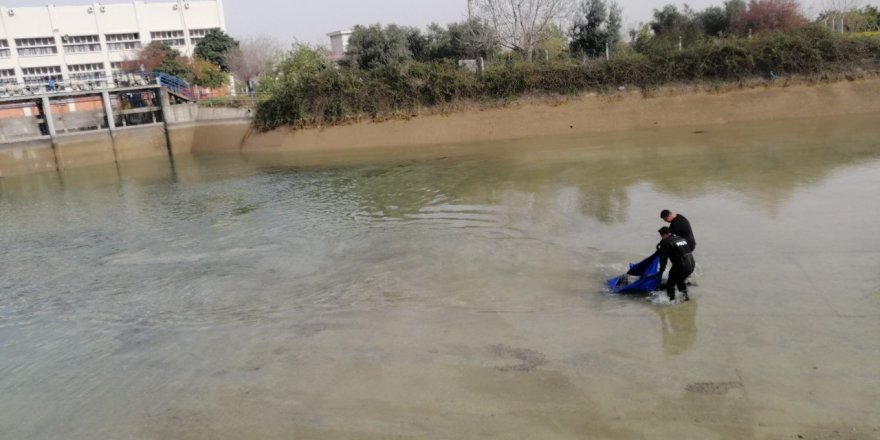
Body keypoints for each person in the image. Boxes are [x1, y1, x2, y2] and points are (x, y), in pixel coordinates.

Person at [655, 226, 695, 302]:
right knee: (680, 280)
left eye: (661, 236)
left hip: (681, 266)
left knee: (670, 284)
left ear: (664, 235)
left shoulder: (667, 243)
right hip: (692, 265)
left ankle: (671, 301)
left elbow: (663, 259)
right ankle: (686, 298)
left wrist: (661, 271)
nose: (661, 237)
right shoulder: (681, 238)